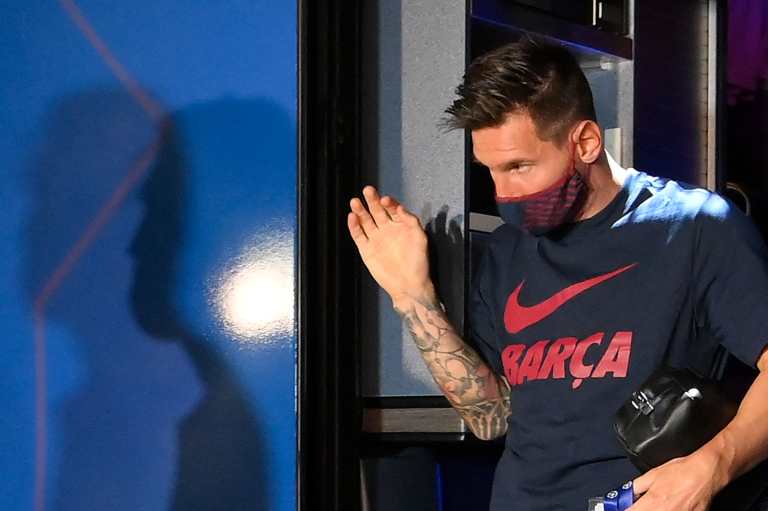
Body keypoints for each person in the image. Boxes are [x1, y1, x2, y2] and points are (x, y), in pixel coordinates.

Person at [346, 37, 768, 510]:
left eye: (519, 166)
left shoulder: (693, 227)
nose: (503, 193)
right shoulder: (506, 251)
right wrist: (412, 295)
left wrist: (711, 466)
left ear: (585, 142)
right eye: (490, 170)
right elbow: (491, 417)